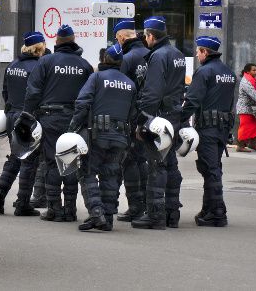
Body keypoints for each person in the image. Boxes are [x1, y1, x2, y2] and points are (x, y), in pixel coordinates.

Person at [22, 24, 94, 222]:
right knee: (70, 160)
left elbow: (33, 91)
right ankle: (70, 210)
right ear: (73, 40)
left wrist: (28, 115)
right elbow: (89, 96)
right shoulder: (84, 65)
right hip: (74, 119)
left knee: (52, 162)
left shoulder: (46, 61)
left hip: (50, 118)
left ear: (56, 42)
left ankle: (54, 208)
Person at [69, 43, 137, 231]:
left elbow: (82, 103)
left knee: (87, 172)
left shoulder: (97, 77)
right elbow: (133, 113)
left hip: (97, 136)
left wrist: (73, 126)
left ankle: (96, 213)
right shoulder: (130, 83)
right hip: (120, 137)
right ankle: (107, 218)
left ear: (104, 59)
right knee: (111, 176)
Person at [132, 16, 186, 230]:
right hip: (174, 115)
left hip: (159, 118)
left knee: (156, 164)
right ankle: (173, 212)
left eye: (146, 36)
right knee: (170, 163)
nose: (145, 40)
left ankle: (155, 215)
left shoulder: (157, 56)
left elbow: (152, 92)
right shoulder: (178, 54)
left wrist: (142, 120)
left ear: (151, 36)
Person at [180, 36, 236, 227]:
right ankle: (208, 209)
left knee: (210, 169)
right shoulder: (228, 72)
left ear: (205, 52)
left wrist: (179, 120)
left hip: (208, 128)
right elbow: (230, 103)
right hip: (222, 127)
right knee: (212, 167)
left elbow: (193, 101)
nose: (196, 54)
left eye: (198, 51)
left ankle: (218, 212)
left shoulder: (204, 72)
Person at [0, 31, 46, 216]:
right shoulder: (37, 67)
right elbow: (37, 94)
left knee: (15, 156)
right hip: (28, 117)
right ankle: (22, 203)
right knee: (29, 160)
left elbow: (4, 92)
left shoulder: (13, 64)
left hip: (12, 115)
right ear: (39, 47)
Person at [114, 19, 150, 222]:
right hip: (152, 116)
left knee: (130, 161)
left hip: (133, 117)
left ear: (121, 37)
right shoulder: (150, 54)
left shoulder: (127, 58)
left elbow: (123, 91)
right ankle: (146, 203)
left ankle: (136, 206)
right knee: (145, 160)